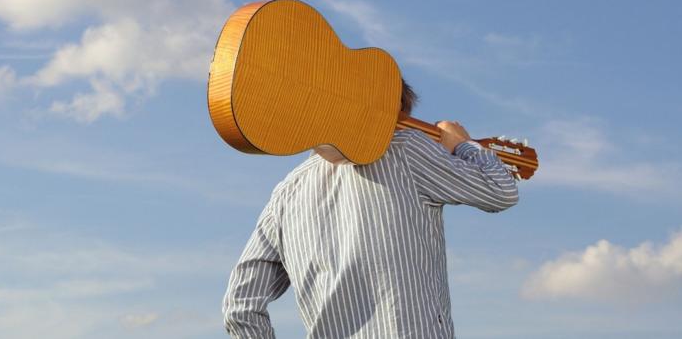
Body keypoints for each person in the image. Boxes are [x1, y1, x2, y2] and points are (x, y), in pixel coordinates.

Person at [221, 81, 518, 338]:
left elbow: (241, 306)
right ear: (397, 114)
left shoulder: (286, 194)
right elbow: (501, 190)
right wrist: (464, 145)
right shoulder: (405, 148)